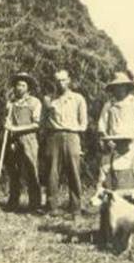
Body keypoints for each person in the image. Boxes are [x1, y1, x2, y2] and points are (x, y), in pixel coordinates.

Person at [44, 70, 88, 217]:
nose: (60, 83)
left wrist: (73, 132)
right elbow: (42, 121)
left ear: (69, 80)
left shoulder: (78, 99)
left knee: (74, 171)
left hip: (72, 136)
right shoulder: (49, 99)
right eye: (57, 80)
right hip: (54, 137)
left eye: (63, 80)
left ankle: (75, 208)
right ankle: (52, 208)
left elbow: (84, 122)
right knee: (52, 173)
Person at [4, 72, 42, 214]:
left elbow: (36, 124)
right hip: (14, 140)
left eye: (23, 85)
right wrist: (8, 124)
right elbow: (8, 122)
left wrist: (16, 128)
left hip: (29, 140)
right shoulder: (12, 103)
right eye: (17, 85)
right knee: (14, 171)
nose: (19, 88)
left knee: (32, 171)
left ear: (28, 87)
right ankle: (13, 201)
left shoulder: (34, 102)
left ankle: (35, 204)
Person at [98, 72, 134, 153]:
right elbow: (102, 124)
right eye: (116, 87)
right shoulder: (109, 105)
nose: (119, 89)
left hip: (130, 142)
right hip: (114, 141)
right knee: (114, 164)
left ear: (126, 87)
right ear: (113, 89)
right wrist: (108, 140)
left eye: (122, 86)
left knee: (131, 164)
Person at [95, 136, 134, 204]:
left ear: (129, 142)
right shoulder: (107, 160)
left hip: (132, 205)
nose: (119, 144)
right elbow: (100, 185)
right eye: (117, 141)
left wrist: (127, 193)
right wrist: (104, 195)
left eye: (123, 141)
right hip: (111, 204)